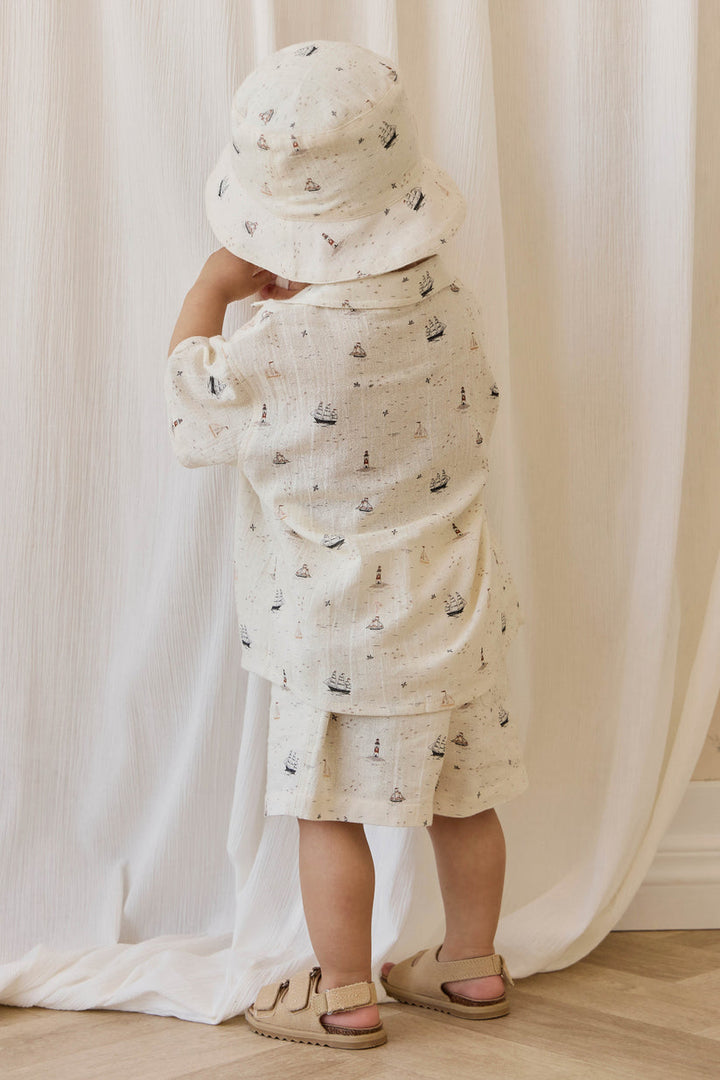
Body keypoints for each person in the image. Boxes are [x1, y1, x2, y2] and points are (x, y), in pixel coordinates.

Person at [165, 39, 529, 1050]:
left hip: (331, 630)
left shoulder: (271, 345)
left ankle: (344, 993)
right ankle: (472, 967)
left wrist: (214, 288)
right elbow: (481, 413)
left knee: (330, 813)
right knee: (466, 799)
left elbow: (194, 408)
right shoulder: (447, 304)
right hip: (456, 606)